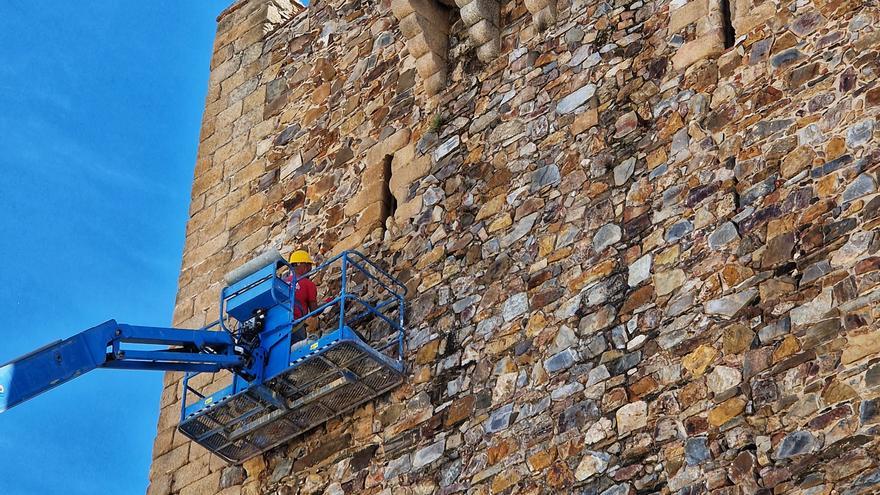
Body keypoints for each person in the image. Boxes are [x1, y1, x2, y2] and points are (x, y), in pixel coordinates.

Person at [286, 250, 319, 344]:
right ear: (305, 266)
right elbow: (314, 312)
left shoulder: (282, 282)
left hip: (277, 328)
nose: (310, 270)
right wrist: (327, 304)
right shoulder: (308, 284)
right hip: (295, 327)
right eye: (310, 267)